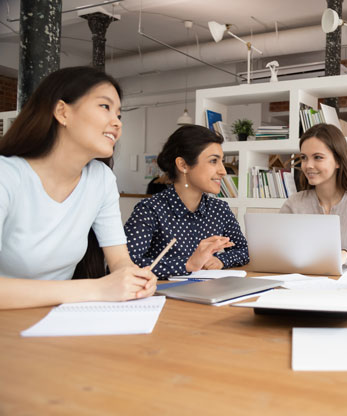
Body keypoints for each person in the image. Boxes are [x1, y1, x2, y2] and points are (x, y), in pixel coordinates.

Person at [0, 66, 157, 309]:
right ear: (62, 112)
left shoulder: (101, 179)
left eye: (119, 115)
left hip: (58, 321)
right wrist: (98, 288)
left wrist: (133, 278)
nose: (116, 123)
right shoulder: (7, 175)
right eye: (105, 107)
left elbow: (119, 260)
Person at [124, 125, 249, 278]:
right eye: (213, 161)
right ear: (183, 165)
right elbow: (126, 265)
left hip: (208, 294)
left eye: (221, 161)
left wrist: (220, 261)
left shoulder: (219, 209)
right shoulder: (150, 210)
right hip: (161, 297)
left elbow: (243, 250)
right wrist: (188, 264)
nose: (223, 170)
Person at [280, 123, 347, 270]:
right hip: (303, 283)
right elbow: (278, 253)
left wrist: (346, 256)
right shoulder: (294, 203)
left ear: (338, 161)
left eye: (318, 157)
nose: (308, 165)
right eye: (304, 157)